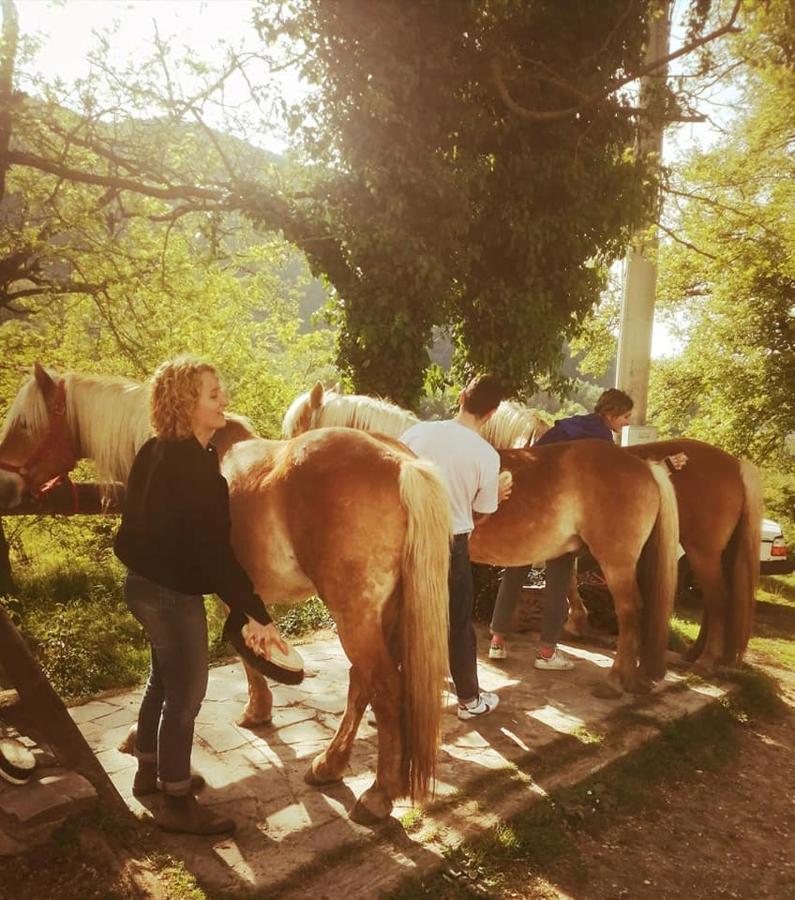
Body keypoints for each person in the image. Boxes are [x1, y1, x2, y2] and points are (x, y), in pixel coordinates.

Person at [114, 356, 287, 835]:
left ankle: (150, 774)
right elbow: (214, 555)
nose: (224, 399)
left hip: (142, 586)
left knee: (162, 682)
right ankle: (177, 801)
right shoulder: (193, 467)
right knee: (186, 695)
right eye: (213, 394)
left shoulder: (156, 449)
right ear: (187, 405)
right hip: (169, 595)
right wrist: (256, 614)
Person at [488, 388, 686, 668]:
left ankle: (497, 641)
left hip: (529, 514)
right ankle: (546, 652)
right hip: (561, 520)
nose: (627, 423)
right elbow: (615, 480)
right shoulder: (599, 440)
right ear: (610, 415)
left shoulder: (566, 426)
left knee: (514, 571)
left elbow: (533, 462)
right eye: (625, 416)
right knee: (558, 581)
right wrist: (662, 468)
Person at [401, 374, 512, 720]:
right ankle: (468, 700)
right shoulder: (487, 456)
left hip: (404, 541)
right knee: (456, 624)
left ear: (461, 396)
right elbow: (481, 515)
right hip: (451, 545)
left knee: (403, 620)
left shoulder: (415, 433)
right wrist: (501, 492)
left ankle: (398, 700)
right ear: (492, 413)